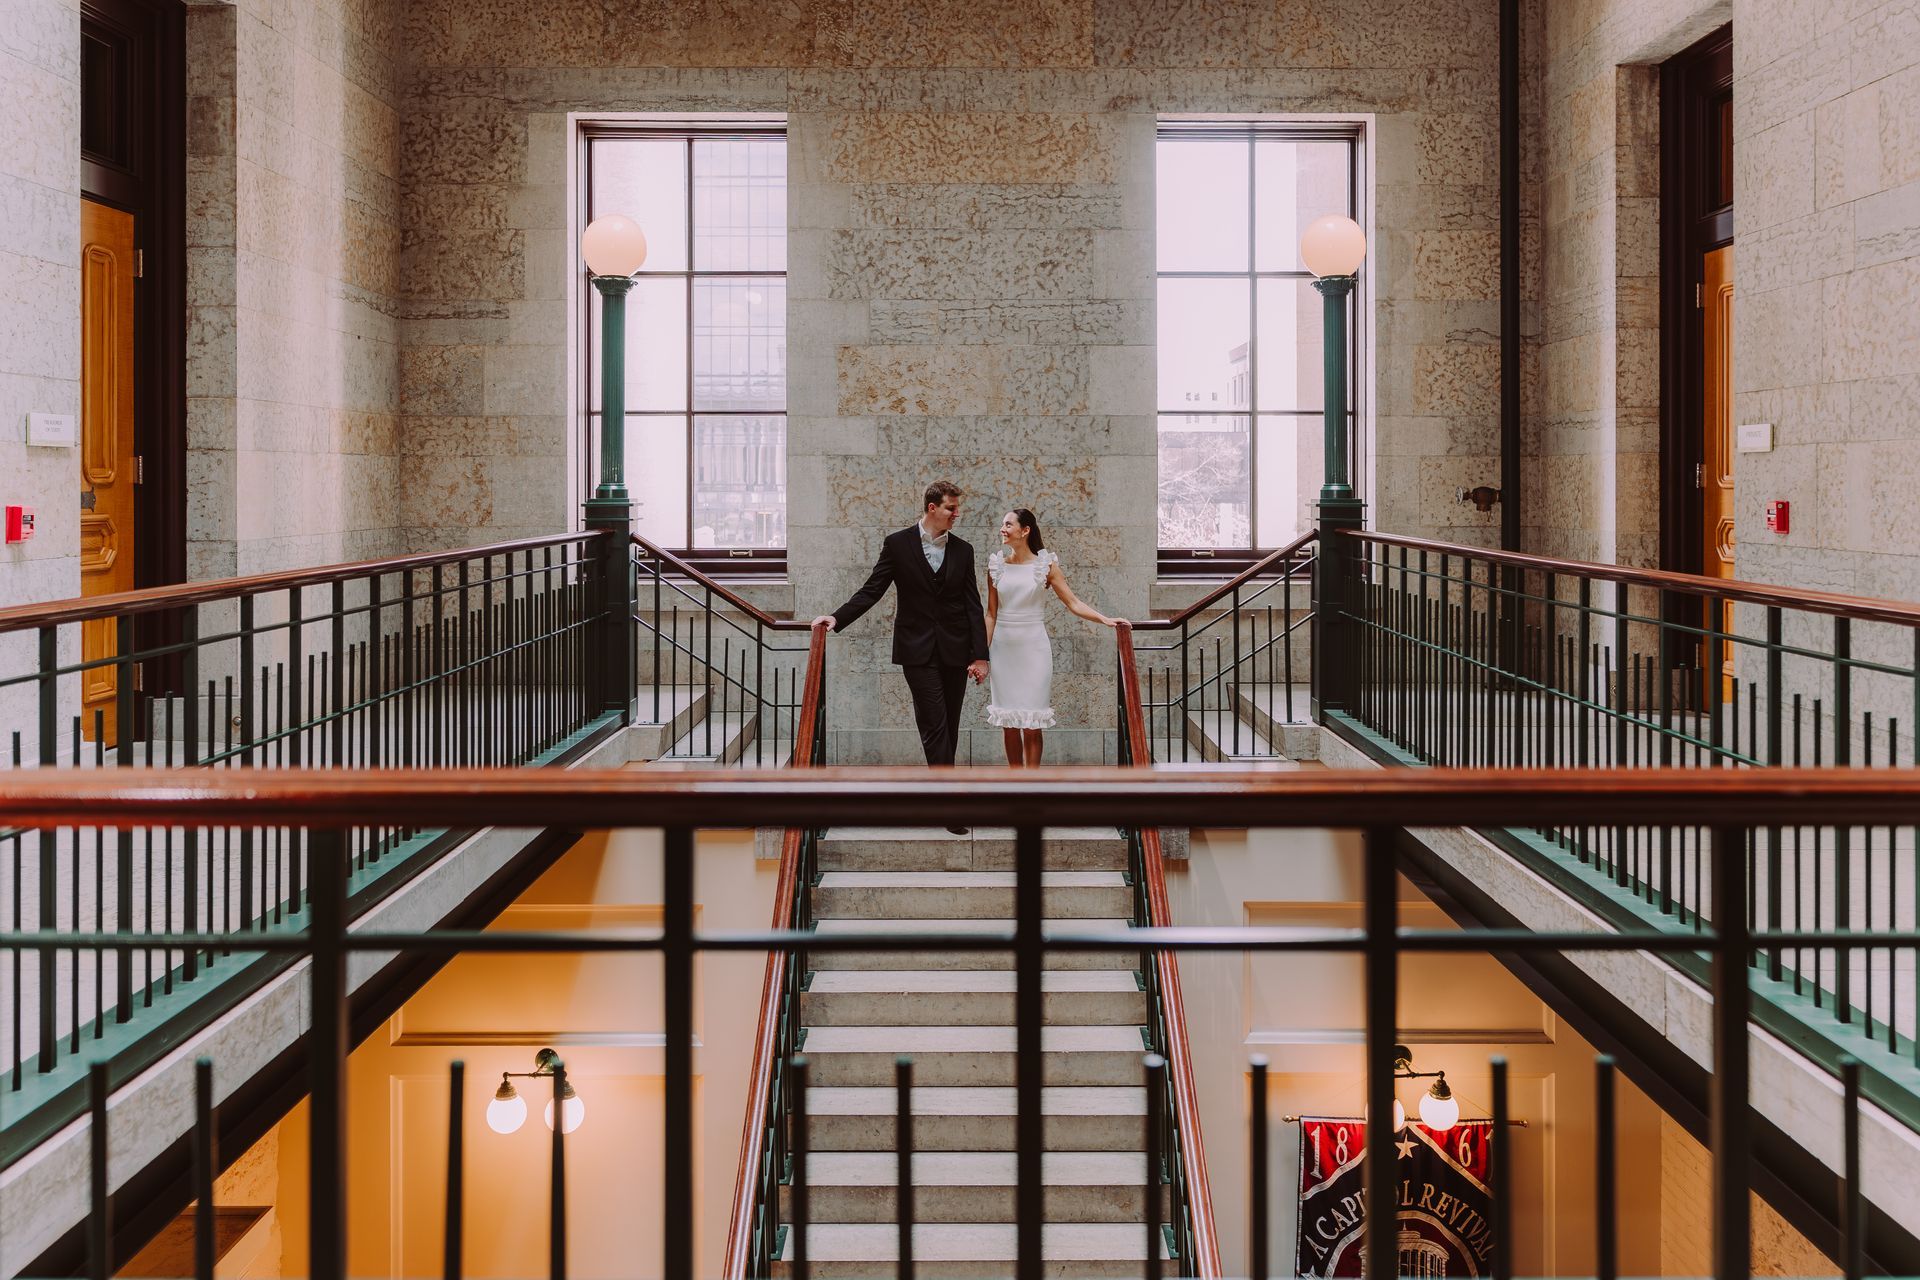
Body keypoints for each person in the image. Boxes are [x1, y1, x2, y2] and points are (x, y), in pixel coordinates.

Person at [813, 481, 989, 829]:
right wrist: (837, 616)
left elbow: (973, 605)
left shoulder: (964, 550)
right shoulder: (898, 544)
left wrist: (980, 655)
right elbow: (872, 589)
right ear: (931, 507)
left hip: (955, 649)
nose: (957, 514)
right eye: (951, 508)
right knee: (934, 722)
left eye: (957, 508)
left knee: (949, 726)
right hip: (916, 649)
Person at [985, 508, 1121, 767]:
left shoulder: (1045, 565)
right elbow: (991, 614)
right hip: (1003, 651)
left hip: (1034, 650)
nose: (1002, 529)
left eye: (1008, 524)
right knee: (1009, 723)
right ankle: (1014, 784)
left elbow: (1073, 602)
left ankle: (1033, 786)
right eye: (1002, 524)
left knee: (1034, 723)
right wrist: (980, 654)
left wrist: (1105, 619)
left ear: (1025, 531)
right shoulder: (996, 566)